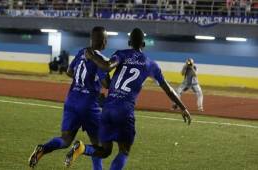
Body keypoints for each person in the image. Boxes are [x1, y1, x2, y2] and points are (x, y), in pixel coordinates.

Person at [64, 28, 192, 170]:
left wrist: (92, 56)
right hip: (124, 111)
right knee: (124, 150)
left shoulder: (121, 54)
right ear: (143, 44)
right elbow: (168, 89)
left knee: (105, 150)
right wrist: (183, 107)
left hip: (107, 109)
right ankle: (82, 149)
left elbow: (106, 66)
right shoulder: (150, 64)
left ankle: (82, 148)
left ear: (129, 42)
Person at [28, 26, 110, 170]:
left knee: (65, 140)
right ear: (104, 41)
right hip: (89, 105)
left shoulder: (81, 52)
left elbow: (69, 71)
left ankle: (43, 149)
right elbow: (106, 84)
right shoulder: (101, 60)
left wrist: (82, 81)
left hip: (71, 100)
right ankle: (81, 148)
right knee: (100, 146)